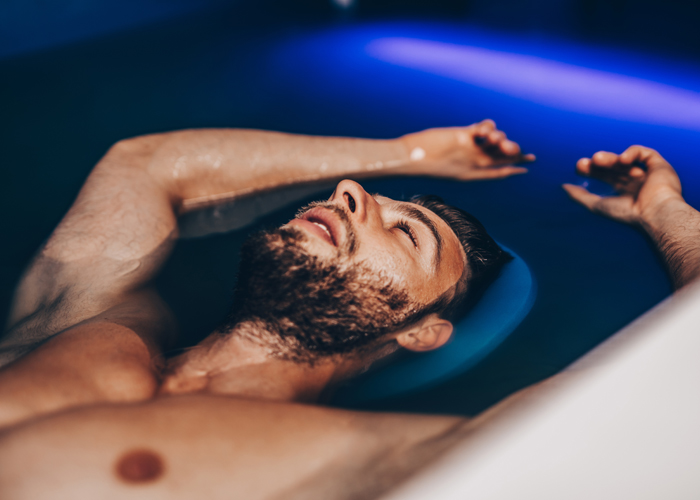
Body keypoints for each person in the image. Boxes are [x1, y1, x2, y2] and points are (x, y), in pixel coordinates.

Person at [0, 119, 698, 500]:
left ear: (426, 331)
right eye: (361, 197)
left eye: (407, 233)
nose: (349, 191)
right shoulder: (93, 316)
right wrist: (411, 153)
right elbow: (145, 165)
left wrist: (665, 212)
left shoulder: (375, 465)